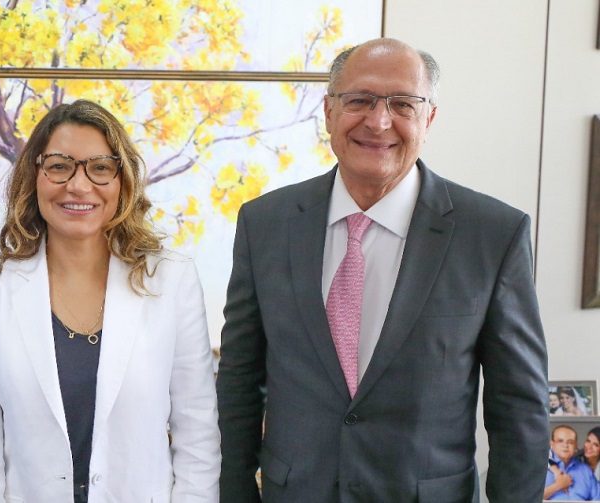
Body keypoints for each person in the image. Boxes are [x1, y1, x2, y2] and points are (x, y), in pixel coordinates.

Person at [216, 37, 549, 502]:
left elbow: (519, 407)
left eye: (403, 104)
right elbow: (238, 380)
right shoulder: (265, 224)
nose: (378, 121)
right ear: (329, 111)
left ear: (429, 119)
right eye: (359, 100)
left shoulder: (493, 234)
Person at [0, 99, 221, 502]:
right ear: (35, 176)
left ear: (122, 180)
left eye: (99, 167)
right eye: (59, 166)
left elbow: (197, 430)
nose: (79, 186)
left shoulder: (171, 280)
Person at [545, 426, 600, 500]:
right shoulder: (540, 468)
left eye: (570, 442)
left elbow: (597, 499)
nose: (565, 446)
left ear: (576, 446)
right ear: (552, 444)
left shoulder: (586, 470)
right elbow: (531, 497)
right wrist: (558, 485)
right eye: (560, 441)